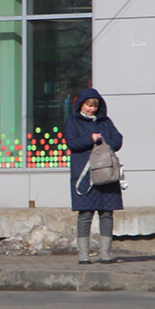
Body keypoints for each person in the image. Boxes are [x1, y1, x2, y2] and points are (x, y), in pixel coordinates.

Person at [64, 87, 124, 264]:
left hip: (107, 174)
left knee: (107, 213)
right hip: (85, 175)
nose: (92, 109)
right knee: (85, 214)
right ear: (81, 105)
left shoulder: (105, 121)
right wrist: (90, 139)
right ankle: (83, 253)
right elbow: (72, 143)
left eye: (95, 106)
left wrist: (105, 144)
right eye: (89, 105)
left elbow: (118, 138)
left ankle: (105, 253)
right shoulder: (72, 122)